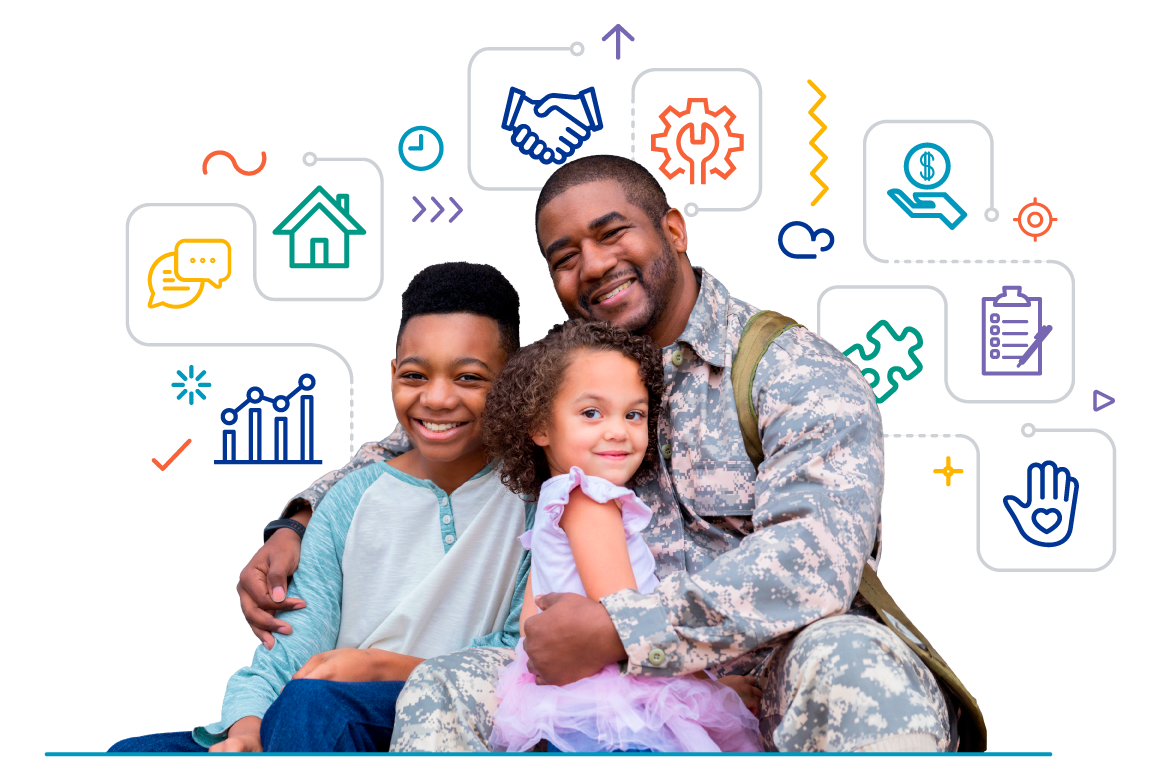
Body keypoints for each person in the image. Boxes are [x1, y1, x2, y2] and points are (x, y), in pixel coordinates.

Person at [240, 155, 960, 753]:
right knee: (441, 688)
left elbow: (813, 559)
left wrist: (622, 630)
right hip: (601, 677)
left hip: (769, 674)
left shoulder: (790, 370)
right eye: (564, 256)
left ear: (673, 229)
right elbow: (447, 416)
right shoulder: (580, 371)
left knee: (853, 659)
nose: (592, 265)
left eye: (611, 233)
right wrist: (301, 516)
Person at [109, 262, 533, 752]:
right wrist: (246, 728)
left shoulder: (534, 501)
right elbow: (290, 650)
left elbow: (517, 656)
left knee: (317, 707)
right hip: (314, 714)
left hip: (440, 714)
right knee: (134, 752)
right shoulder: (349, 499)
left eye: (468, 377)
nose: (437, 398)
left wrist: (376, 668)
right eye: (415, 375)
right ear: (393, 375)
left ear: (510, 383)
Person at [485, 319, 762, 753]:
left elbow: (530, 625)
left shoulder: (551, 503)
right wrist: (712, 683)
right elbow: (624, 617)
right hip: (615, 701)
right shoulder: (590, 499)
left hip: (557, 700)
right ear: (539, 426)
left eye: (633, 414)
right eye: (591, 412)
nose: (618, 430)